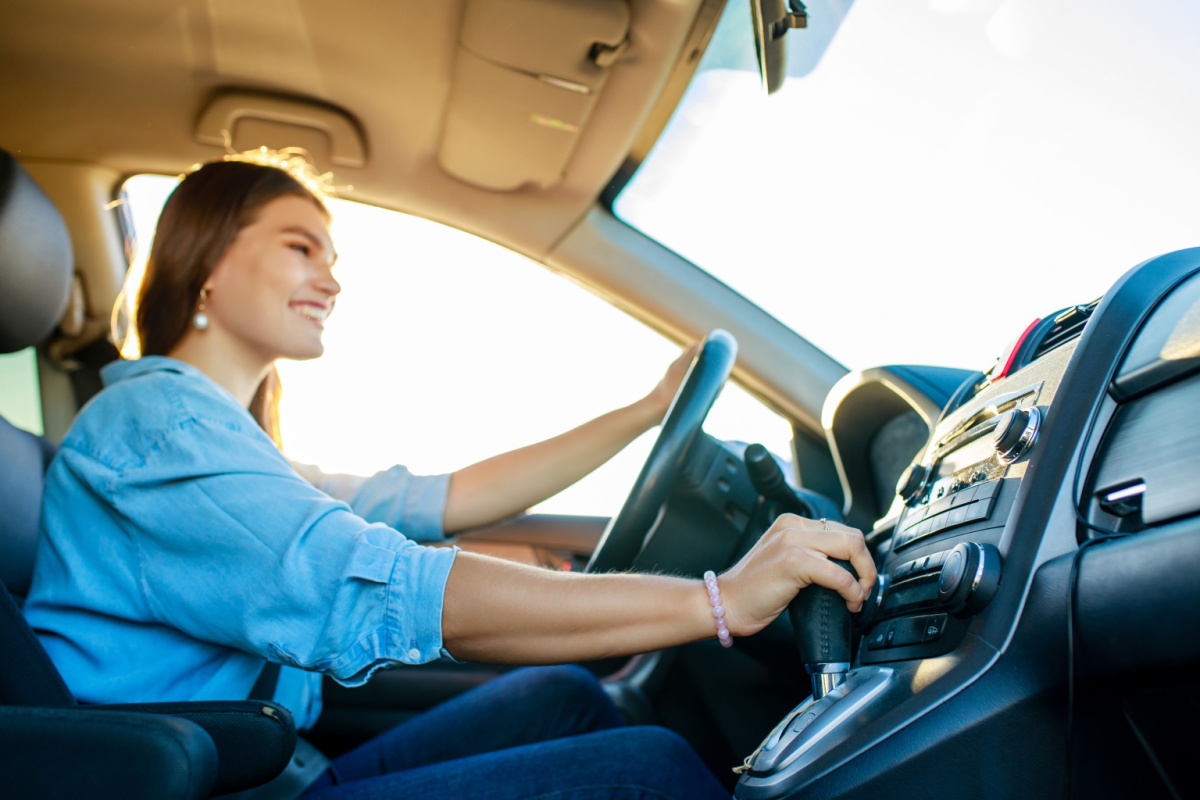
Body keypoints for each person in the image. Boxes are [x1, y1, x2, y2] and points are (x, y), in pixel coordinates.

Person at [23, 158, 876, 799]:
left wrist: (644, 412)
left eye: (332, 253)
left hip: (273, 768)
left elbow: (447, 499)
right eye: (299, 246)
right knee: (645, 772)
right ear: (206, 261)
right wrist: (716, 601)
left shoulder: (234, 448)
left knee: (565, 695)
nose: (333, 277)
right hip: (191, 786)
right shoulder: (157, 431)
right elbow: (384, 584)